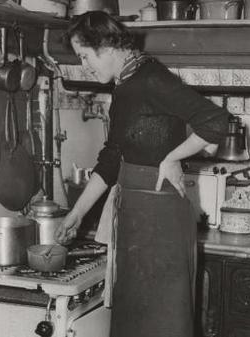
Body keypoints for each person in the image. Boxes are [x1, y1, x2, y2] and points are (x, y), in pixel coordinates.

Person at [55, 11, 231, 337]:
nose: (84, 65)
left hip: (161, 221)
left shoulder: (151, 79)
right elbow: (111, 160)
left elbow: (217, 121)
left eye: (84, 55)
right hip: (136, 219)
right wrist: (76, 215)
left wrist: (173, 158)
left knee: (163, 323)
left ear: (106, 46)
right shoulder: (125, 86)